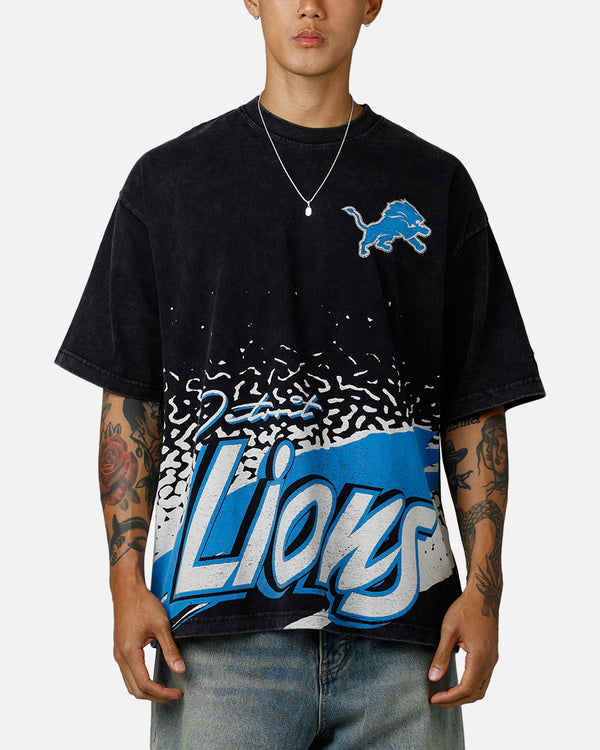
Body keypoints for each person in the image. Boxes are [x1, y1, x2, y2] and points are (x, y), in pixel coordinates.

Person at [55, 1, 545, 747]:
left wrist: (486, 592)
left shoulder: (433, 182)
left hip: (404, 640)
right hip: (215, 643)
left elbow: (475, 407)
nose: (310, 6)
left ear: (373, 4)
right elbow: (130, 402)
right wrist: (124, 582)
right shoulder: (168, 184)